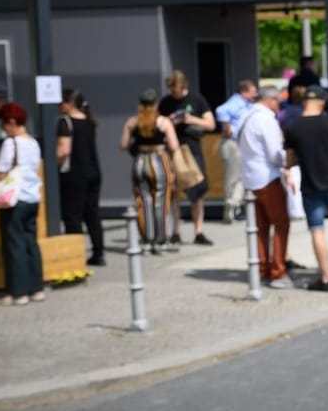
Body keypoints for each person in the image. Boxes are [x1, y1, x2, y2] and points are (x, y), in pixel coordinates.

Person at [281, 87, 328, 292]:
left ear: (304, 102)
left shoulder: (293, 127)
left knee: (317, 231)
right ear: (322, 101)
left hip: (311, 185)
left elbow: (289, 160)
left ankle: (326, 278)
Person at [238, 85, 292, 289]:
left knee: (260, 228)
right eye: (278, 101)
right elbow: (275, 153)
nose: (279, 106)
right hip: (267, 178)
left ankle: (260, 268)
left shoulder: (246, 116)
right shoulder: (266, 118)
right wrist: (289, 161)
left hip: (250, 178)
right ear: (270, 100)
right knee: (280, 224)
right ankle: (278, 271)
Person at [0, 102, 46, 305]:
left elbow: (1, 170)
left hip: (14, 199)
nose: (2, 128)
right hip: (32, 197)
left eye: (3, 124)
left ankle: (18, 292)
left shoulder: (11, 143)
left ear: (11, 122)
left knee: (13, 244)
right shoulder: (33, 142)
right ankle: (36, 288)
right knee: (30, 242)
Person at [157, 70, 214, 246]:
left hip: (192, 149)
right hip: (172, 150)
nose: (174, 94)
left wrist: (190, 119)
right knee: (173, 191)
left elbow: (211, 124)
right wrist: (169, 122)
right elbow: (157, 124)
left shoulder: (197, 100)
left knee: (197, 189)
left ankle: (198, 231)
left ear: (184, 86)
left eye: (177, 91)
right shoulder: (166, 103)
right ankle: (175, 231)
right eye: (172, 90)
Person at [120, 89, 180, 254]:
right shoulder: (163, 122)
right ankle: (160, 241)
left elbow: (123, 145)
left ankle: (146, 240)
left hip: (140, 161)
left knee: (143, 201)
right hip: (159, 160)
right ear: (156, 103)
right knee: (161, 201)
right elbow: (174, 146)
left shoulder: (133, 122)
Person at [55, 88, 106, 266]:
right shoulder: (89, 121)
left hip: (74, 175)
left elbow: (64, 150)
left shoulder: (65, 121)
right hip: (94, 172)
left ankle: (75, 257)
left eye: (61, 102)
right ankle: (98, 253)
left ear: (69, 103)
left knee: (72, 216)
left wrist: (52, 163)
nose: (58, 105)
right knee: (92, 213)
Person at [215, 79, 259, 224]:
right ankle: (231, 206)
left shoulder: (246, 104)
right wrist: (227, 126)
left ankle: (235, 206)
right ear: (244, 92)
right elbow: (220, 110)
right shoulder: (236, 103)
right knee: (233, 178)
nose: (255, 95)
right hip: (233, 144)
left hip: (240, 144)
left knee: (240, 177)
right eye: (253, 92)